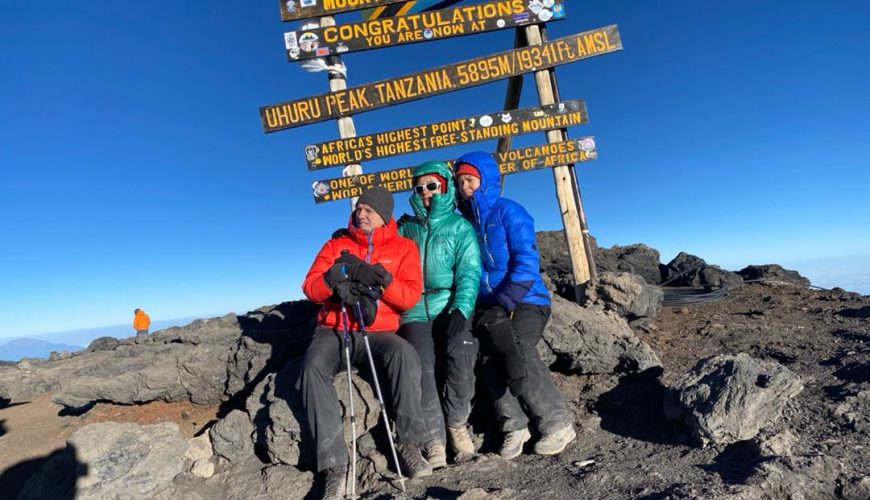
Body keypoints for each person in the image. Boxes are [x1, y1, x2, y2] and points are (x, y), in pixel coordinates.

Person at [299, 186, 432, 499]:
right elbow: (310, 287)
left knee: (404, 354)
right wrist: (335, 277)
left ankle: (409, 445)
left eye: (368, 210)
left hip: (379, 331)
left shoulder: (403, 248)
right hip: (334, 328)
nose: (361, 214)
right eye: (358, 209)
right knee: (312, 368)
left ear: (383, 215)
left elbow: (410, 296)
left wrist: (383, 279)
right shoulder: (336, 244)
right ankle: (335, 466)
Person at [453, 151, 576, 460]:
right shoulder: (465, 223)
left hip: (527, 299)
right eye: (460, 182)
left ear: (485, 181)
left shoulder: (509, 211)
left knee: (516, 342)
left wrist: (506, 300)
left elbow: (526, 262)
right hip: (488, 304)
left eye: (470, 180)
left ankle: (557, 422)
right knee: (485, 351)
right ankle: (514, 426)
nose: (465, 187)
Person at [397, 161, 481, 467]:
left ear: (444, 186)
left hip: (449, 302)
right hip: (414, 308)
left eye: (431, 186)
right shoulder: (404, 226)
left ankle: (457, 424)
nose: (426, 193)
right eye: (419, 188)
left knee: (460, 358)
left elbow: (470, 271)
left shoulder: (460, 226)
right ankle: (434, 441)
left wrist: (462, 307)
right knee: (421, 370)